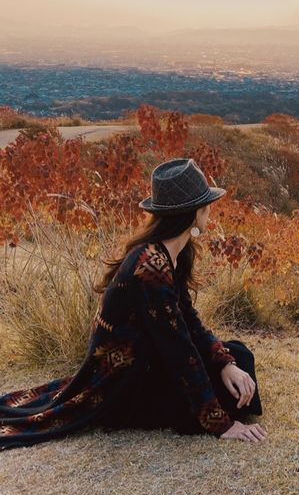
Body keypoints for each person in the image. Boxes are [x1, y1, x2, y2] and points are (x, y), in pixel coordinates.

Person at [0, 158, 266, 451]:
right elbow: (178, 349)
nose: (209, 211)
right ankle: (191, 407)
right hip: (127, 386)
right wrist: (222, 424)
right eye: (207, 205)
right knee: (229, 397)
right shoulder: (149, 267)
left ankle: (225, 374)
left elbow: (188, 319)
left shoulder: (171, 253)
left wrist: (225, 362)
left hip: (151, 363)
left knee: (240, 355)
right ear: (194, 214)